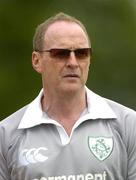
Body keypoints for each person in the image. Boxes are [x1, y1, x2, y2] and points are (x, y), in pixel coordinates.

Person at [0, 12, 136, 180]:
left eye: (82, 53)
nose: (73, 62)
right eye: (60, 53)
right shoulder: (6, 135)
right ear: (37, 61)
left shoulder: (129, 125)